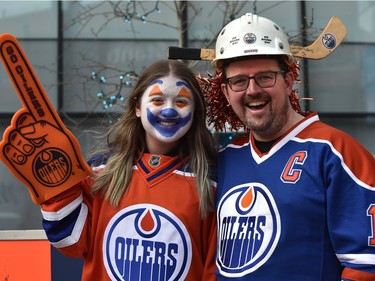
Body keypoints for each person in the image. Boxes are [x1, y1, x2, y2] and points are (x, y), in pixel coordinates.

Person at [1, 58, 217, 280]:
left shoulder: (211, 181)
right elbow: (71, 243)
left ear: (195, 111)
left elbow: (213, 271)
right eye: (157, 100)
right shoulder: (101, 171)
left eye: (181, 102)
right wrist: (57, 186)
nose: (169, 111)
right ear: (137, 107)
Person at [198, 13, 375, 281]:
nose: (252, 90)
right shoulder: (225, 159)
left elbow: (365, 265)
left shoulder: (336, 152)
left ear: (289, 80)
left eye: (265, 77)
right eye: (239, 81)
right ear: (225, 91)